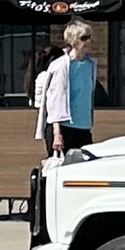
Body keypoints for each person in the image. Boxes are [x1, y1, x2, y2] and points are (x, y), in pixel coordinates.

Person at [33, 22, 96, 157]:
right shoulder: (61, 66)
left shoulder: (90, 65)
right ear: (74, 41)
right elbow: (55, 100)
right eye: (84, 38)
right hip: (63, 127)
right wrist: (57, 134)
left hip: (83, 126)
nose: (88, 41)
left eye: (89, 37)